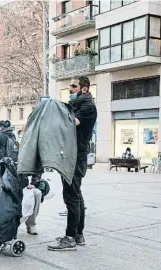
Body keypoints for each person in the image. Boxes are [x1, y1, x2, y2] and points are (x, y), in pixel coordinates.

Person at [49, 76, 97, 251]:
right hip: (72, 154)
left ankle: (70, 237)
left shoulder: (88, 106)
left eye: (73, 86)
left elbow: (71, 124)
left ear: (84, 89)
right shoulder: (78, 105)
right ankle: (78, 235)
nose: (70, 89)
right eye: (70, 86)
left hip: (76, 156)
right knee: (76, 195)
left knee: (71, 196)